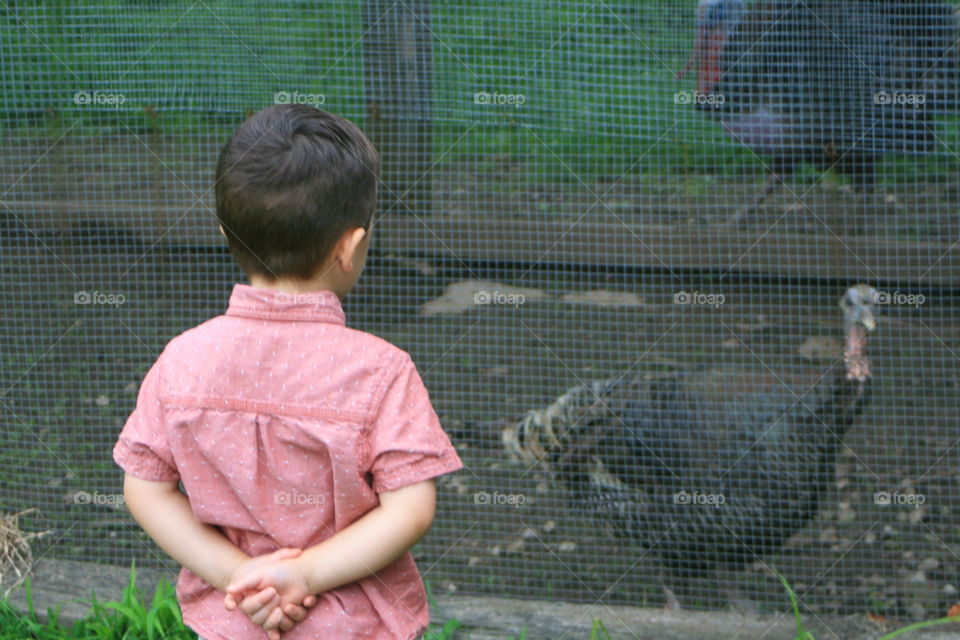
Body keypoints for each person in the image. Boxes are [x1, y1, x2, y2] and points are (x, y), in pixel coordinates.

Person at [113, 104, 463, 640]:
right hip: (358, 625)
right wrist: (301, 574)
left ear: (225, 230)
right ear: (349, 246)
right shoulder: (383, 371)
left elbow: (144, 489)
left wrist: (238, 576)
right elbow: (411, 509)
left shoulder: (181, 359)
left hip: (235, 618)